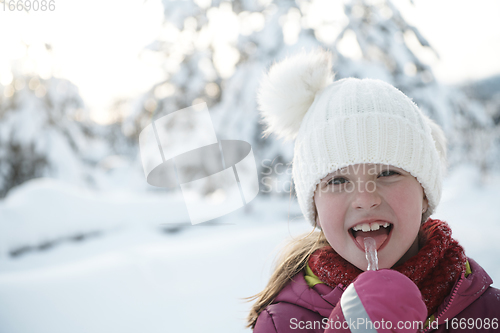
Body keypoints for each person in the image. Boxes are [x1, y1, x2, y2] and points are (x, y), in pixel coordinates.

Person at [247, 50, 500, 332]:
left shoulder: (487, 312)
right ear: (315, 207)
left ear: (425, 192)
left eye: (388, 173)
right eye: (338, 181)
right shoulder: (282, 324)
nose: (366, 199)